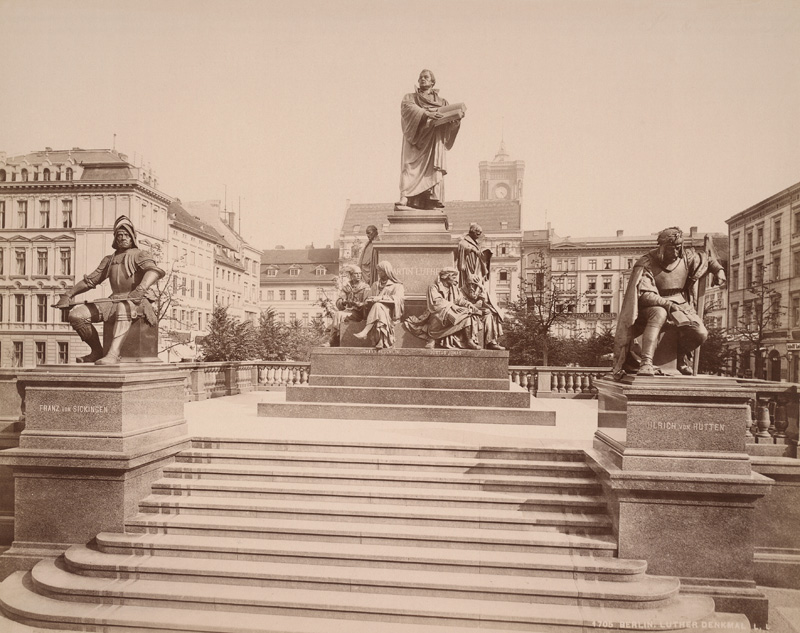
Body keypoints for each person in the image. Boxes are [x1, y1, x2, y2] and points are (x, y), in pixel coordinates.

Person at [612, 227, 726, 378]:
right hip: (651, 305)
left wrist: (719, 270)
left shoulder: (686, 258)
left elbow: (706, 259)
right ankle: (646, 363)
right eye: (673, 249)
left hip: (681, 304)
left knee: (700, 333)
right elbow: (645, 294)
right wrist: (668, 305)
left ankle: (680, 359)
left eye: (679, 248)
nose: (677, 252)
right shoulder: (646, 262)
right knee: (659, 313)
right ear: (662, 247)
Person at [54, 215, 165, 364]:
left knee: (122, 307)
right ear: (115, 238)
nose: (123, 238)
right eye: (119, 235)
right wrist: (69, 294)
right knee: (76, 315)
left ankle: (113, 354)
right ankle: (97, 351)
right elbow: (91, 280)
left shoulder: (140, 254)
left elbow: (154, 271)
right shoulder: (109, 259)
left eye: (126, 235)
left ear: (132, 237)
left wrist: (141, 288)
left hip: (137, 300)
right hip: (113, 299)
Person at [399, 69, 464, 210]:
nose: (423, 79)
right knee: (409, 166)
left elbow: (449, 124)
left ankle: (431, 198)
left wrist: (455, 122)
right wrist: (427, 113)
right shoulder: (410, 97)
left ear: (432, 82)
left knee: (432, 170)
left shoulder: (442, 102)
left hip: (434, 140)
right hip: (415, 139)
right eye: (420, 77)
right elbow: (407, 108)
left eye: (426, 77)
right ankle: (406, 197)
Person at [404, 268, 482, 349]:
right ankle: (432, 338)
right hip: (437, 313)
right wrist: (452, 306)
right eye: (454, 277)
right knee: (439, 314)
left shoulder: (454, 288)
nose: (457, 281)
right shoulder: (433, 287)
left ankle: (469, 341)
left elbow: (460, 300)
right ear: (446, 277)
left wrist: (469, 304)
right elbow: (436, 302)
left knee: (468, 314)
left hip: (452, 313)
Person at [457, 222, 504, 349]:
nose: (479, 234)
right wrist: (472, 249)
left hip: (476, 303)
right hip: (467, 307)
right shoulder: (465, 241)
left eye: (480, 232)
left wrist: (481, 296)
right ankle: (470, 341)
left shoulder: (479, 286)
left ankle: (491, 341)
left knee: (490, 312)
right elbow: (461, 247)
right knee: (470, 314)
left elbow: (482, 299)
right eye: (477, 231)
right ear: (472, 231)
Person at [353, 261, 405, 349]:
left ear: (387, 271)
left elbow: (398, 299)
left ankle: (366, 331)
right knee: (377, 307)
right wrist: (369, 300)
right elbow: (368, 299)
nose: (378, 273)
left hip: (390, 313)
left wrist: (380, 299)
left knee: (378, 306)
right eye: (378, 271)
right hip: (375, 312)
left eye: (380, 271)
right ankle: (381, 340)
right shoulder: (375, 285)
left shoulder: (397, 286)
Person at [322, 266, 371, 347]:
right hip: (348, 311)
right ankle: (334, 339)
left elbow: (368, 302)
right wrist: (344, 302)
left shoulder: (365, 287)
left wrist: (360, 304)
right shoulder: (347, 287)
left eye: (359, 274)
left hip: (359, 313)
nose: (358, 275)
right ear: (351, 276)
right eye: (356, 274)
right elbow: (339, 301)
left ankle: (332, 340)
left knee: (339, 315)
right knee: (339, 314)